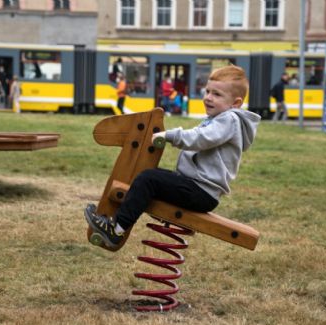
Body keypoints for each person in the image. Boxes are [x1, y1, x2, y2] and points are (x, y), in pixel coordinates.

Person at [84, 65, 261, 249]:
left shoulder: (229, 120)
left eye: (217, 94)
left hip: (201, 192)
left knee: (148, 179)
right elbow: (200, 135)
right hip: (197, 188)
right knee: (149, 176)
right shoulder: (220, 119)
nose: (208, 97)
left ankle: (115, 231)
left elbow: (200, 138)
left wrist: (171, 136)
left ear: (236, 103)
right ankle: (119, 222)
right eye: (207, 91)